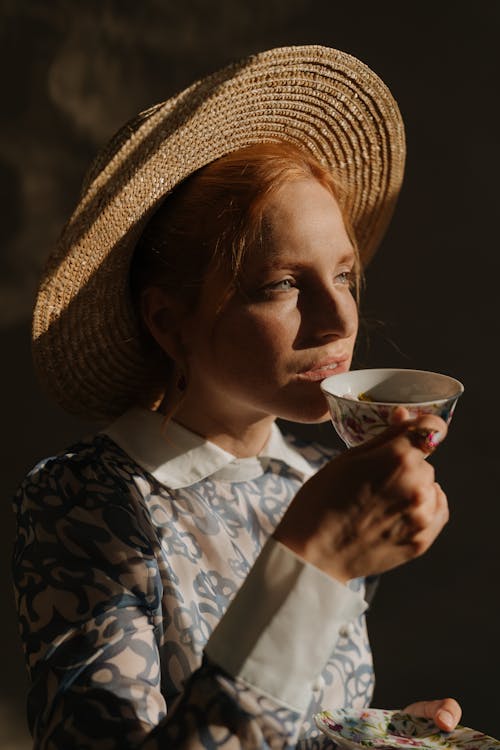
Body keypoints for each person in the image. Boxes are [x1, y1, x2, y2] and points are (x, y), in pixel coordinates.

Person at [12, 45, 461, 749]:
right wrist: (313, 556)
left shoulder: (313, 479)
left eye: (344, 275)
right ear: (170, 322)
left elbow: (283, 725)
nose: (340, 319)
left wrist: (375, 735)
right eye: (282, 284)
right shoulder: (86, 503)